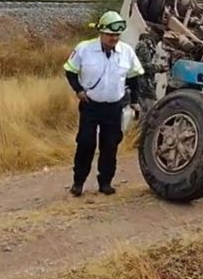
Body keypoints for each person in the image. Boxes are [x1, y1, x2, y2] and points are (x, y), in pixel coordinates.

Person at [63, 11, 144, 197]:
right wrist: (78, 90)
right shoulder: (84, 49)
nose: (113, 38)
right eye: (109, 34)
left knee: (110, 146)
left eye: (116, 35)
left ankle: (105, 183)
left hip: (114, 108)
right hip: (91, 106)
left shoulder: (127, 52)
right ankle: (78, 182)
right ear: (101, 33)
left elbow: (133, 79)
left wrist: (135, 102)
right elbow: (70, 71)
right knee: (85, 143)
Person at [134, 31, 165, 115]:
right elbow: (142, 66)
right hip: (142, 83)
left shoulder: (149, 47)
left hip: (145, 83)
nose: (158, 42)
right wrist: (160, 68)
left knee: (147, 109)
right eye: (158, 39)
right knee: (147, 110)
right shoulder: (144, 46)